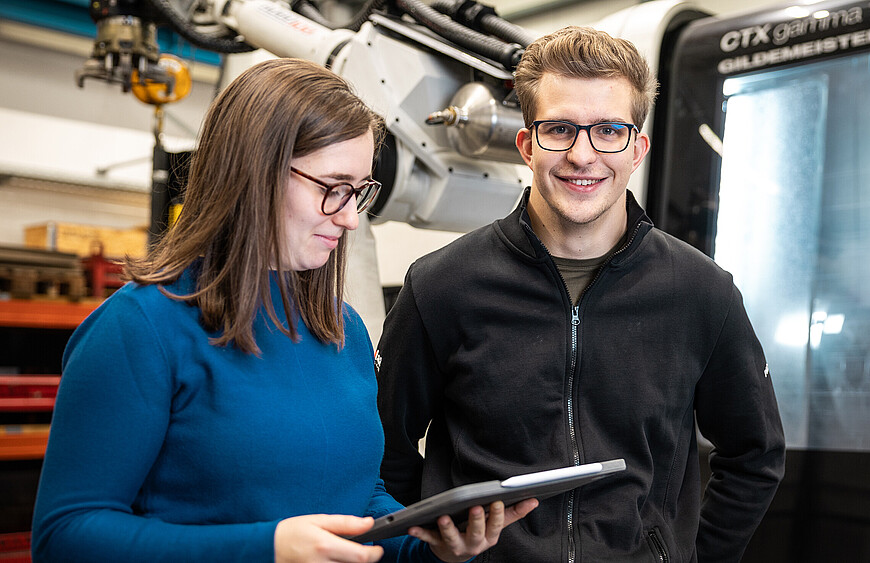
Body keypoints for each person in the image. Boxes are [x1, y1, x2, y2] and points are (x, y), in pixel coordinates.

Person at [31, 58, 536, 563]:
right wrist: (266, 548)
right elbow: (66, 536)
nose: (348, 218)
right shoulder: (140, 328)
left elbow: (357, 501)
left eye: (359, 192)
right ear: (256, 171)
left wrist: (430, 547)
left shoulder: (345, 332)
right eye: (332, 188)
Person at [376, 26, 785, 562]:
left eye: (609, 130)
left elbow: (755, 455)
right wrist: (425, 552)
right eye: (561, 129)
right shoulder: (441, 286)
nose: (583, 154)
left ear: (636, 148)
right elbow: (388, 453)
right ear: (526, 144)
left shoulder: (702, 292)